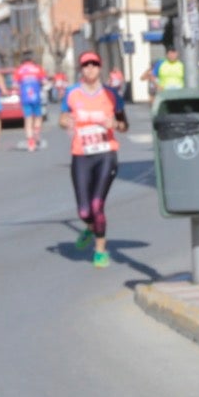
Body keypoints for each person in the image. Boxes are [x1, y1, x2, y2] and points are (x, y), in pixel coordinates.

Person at [59, 51, 128, 268]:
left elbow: (124, 125)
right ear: (81, 69)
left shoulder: (111, 95)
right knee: (84, 211)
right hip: (81, 154)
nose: (90, 68)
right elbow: (62, 117)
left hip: (106, 153)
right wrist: (65, 122)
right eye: (86, 65)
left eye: (94, 64)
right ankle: (89, 227)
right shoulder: (72, 93)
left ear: (100, 68)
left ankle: (100, 250)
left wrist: (115, 125)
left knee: (97, 204)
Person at [14, 52, 47, 152]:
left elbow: (15, 85)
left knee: (28, 120)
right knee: (38, 117)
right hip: (36, 97)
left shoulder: (19, 70)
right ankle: (36, 132)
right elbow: (44, 82)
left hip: (25, 98)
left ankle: (30, 143)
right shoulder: (37, 68)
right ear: (32, 59)